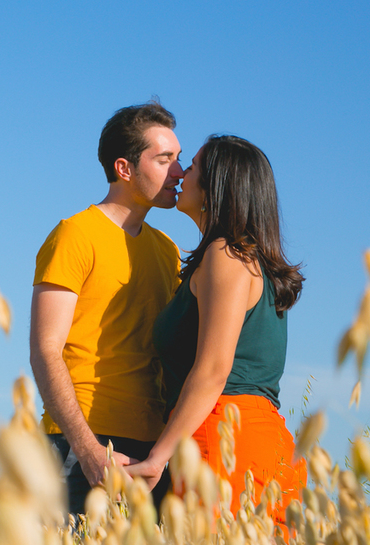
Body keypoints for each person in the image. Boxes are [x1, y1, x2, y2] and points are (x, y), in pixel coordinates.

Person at [127, 135, 306, 525]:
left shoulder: (225, 254)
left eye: (191, 167)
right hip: (260, 436)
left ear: (215, 186)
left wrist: (158, 457)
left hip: (221, 433)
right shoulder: (250, 259)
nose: (180, 173)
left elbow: (212, 371)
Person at [30, 100, 184, 515]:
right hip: (81, 445)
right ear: (124, 168)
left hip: (152, 453)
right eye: (165, 158)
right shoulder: (74, 235)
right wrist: (87, 449)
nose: (179, 172)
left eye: (179, 159)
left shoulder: (168, 251)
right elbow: (45, 348)